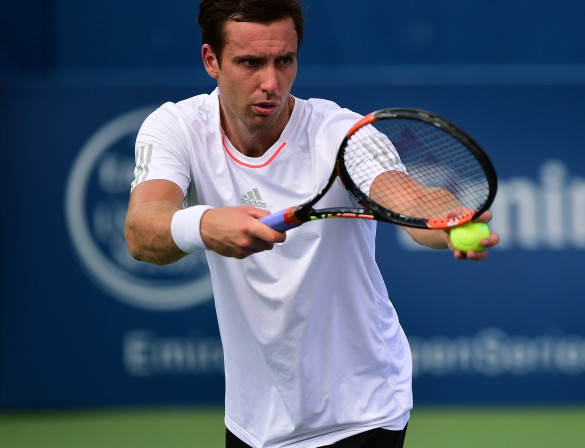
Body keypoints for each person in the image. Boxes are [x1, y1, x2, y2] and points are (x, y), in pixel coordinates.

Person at [124, 0, 499, 447]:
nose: (271, 82)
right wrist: (205, 225)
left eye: (285, 61)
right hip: (254, 423)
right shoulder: (176, 128)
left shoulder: (339, 133)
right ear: (211, 61)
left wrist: (447, 220)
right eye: (250, 63)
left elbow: (407, 197)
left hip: (363, 413)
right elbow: (142, 230)